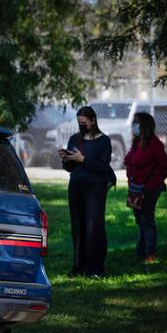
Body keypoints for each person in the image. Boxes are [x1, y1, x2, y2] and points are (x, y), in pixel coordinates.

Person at [60, 106, 113, 278]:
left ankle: (95, 268)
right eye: (79, 123)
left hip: (95, 187)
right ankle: (78, 266)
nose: (81, 125)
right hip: (76, 185)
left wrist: (83, 159)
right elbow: (69, 168)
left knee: (94, 227)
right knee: (78, 226)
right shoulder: (75, 139)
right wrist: (66, 159)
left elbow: (103, 167)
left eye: (84, 122)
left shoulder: (103, 141)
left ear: (92, 121)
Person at [124, 112, 167, 264]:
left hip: (149, 188)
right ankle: (141, 249)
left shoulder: (154, 144)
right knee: (140, 219)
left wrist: (152, 183)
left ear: (145, 125)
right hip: (135, 188)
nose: (134, 126)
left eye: (137, 123)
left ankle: (150, 253)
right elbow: (129, 162)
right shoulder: (136, 142)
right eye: (133, 122)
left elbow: (166, 167)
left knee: (147, 219)